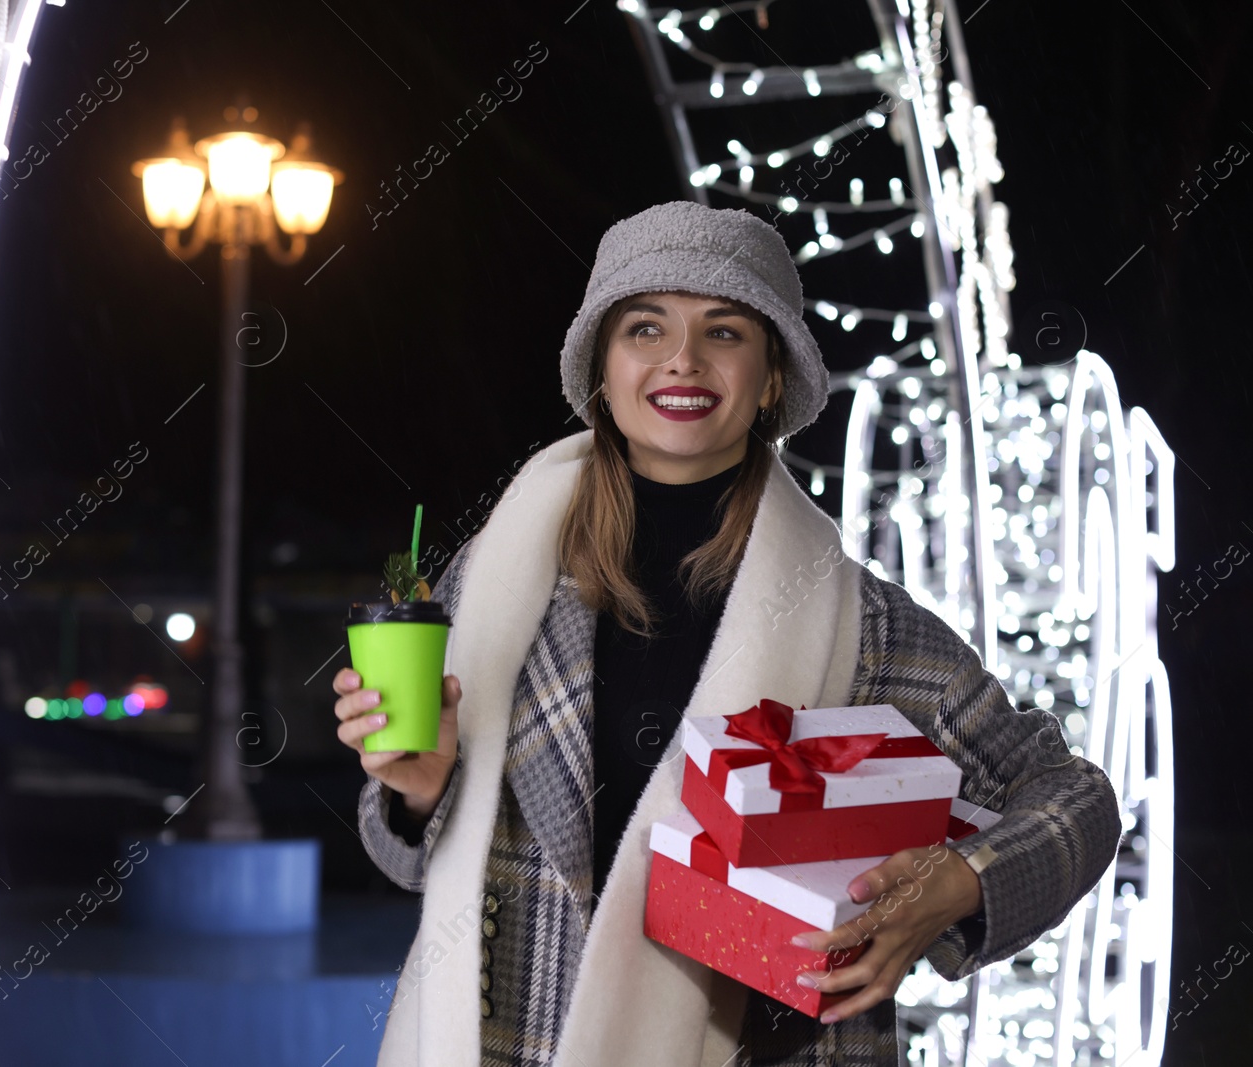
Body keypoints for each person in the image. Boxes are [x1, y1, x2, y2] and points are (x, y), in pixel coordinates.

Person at [334, 202, 1121, 1067]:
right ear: (602, 367)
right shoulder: (492, 582)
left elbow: (1075, 796)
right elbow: (407, 861)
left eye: (725, 331)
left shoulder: (860, 623)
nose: (683, 359)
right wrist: (415, 791)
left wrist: (961, 883)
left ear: (772, 377)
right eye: (645, 328)